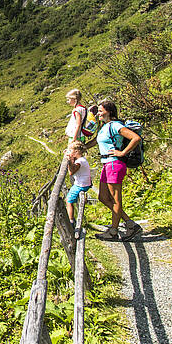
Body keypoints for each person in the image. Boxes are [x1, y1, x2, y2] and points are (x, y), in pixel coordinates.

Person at [86, 100, 143, 241]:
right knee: (103, 197)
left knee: (116, 200)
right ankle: (130, 224)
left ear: (109, 111)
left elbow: (135, 138)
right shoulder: (103, 127)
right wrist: (78, 148)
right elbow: (94, 142)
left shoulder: (116, 125)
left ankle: (113, 230)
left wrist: (122, 152)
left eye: (100, 111)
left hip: (114, 164)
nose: (98, 113)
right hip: (107, 164)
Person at [65, 141, 91, 223]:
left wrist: (69, 161)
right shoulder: (82, 159)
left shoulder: (80, 162)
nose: (69, 152)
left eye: (70, 151)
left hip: (81, 185)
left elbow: (71, 172)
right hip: (85, 183)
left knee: (68, 200)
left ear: (76, 152)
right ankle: (71, 219)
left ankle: (71, 220)